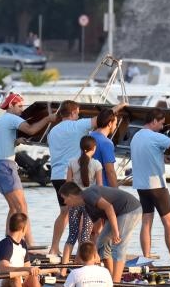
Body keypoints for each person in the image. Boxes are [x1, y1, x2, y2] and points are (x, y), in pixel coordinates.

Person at [47, 100, 127, 256]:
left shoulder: (52, 131)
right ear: (73, 113)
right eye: (77, 112)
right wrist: (118, 107)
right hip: (71, 176)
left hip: (56, 176)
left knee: (64, 212)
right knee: (83, 214)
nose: (78, 115)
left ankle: (54, 247)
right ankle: (83, 252)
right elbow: (103, 118)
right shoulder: (78, 126)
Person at [0, 92, 56, 244]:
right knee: (22, 206)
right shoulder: (12, 118)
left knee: (14, 208)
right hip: (6, 166)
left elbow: (0, 143)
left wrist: (15, 140)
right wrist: (48, 118)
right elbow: (31, 130)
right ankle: (30, 244)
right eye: (19, 106)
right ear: (10, 106)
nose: (21, 110)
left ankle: (9, 241)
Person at [131, 108, 170, 266]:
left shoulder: (136, 136)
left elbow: (147, 153)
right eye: (161, 123)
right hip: (157, 186)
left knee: (146, 221)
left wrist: (161, 157)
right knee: (169, 222)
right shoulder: (155, 136)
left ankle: (146, 258)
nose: (162, 127)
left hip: (141, 186)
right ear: (154, 121)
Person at [59, 182, 142, 283]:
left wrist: (116, 232)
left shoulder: (88, 194)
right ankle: (110, 278)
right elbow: (97, 230)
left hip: (129, 209)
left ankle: (116, 283)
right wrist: (94, 250)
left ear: (71, 196)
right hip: (116, 215)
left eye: (64, 199)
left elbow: (109, 207)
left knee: (118, 246)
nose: (64, 202)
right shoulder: (87, 206)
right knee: (102, 245)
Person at [62, 136, 104, 268]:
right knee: (85, 235)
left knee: (72, 235)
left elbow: (68, 184)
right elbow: (100, 186)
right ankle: (83, 264)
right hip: (90, 202)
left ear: (80, 148)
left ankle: (63, 268)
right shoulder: (96, 164)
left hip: (74, 201)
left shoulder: (72, 162)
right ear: (94, 148)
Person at [0, 213, 44, 287]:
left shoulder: (23, 244)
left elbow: (27, 270)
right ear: (24, 229)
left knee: (33, 277)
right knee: (15, 277)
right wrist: (27, 269)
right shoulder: (6, 244)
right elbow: (2, 269)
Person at [91, 108, 120, 187]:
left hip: (87, 188)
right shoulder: (106, 143)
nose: (115, 127)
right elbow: (110, 171)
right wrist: (116, 192)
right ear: (110, 124)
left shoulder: (88, 137)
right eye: (115, 124)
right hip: (103, 189)